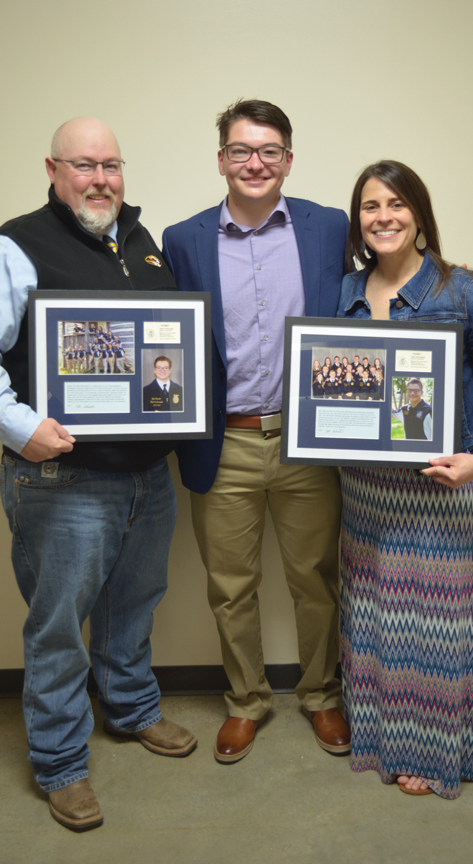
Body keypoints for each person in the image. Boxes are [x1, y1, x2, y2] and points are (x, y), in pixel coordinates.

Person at [0, 117, 197, 832]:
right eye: (84, 165)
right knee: (58, 627)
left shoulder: (142, 245)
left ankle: (131, 710)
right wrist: (18, 427)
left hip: (147, 476)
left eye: (112, 165)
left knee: (134, 603)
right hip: (63, 480)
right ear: (53, 170)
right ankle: (60, 763)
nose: (100, 179)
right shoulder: (17, 244)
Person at [162, 99, 351, 763]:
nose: (255, 163)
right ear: (221, 160)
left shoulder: (330, 227)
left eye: (270, 151)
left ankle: (321, 696)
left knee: (316, 579)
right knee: (230, 587)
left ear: (288, 161)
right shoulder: (182, 239)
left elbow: (366, 303)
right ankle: (246, 701)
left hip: (307, 441)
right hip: (225, 442)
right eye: (241, 150)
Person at [336, 160, 473, 798]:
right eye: (369, 206)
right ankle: (387, 740)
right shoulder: (346, 292)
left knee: (435, 625)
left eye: (395, 204)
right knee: (380, 620)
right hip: (365, 492)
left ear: (417, 212)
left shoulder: (468, 291)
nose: (382, 217)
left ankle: (435, 751)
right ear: (357, 219)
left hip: (441, 486)